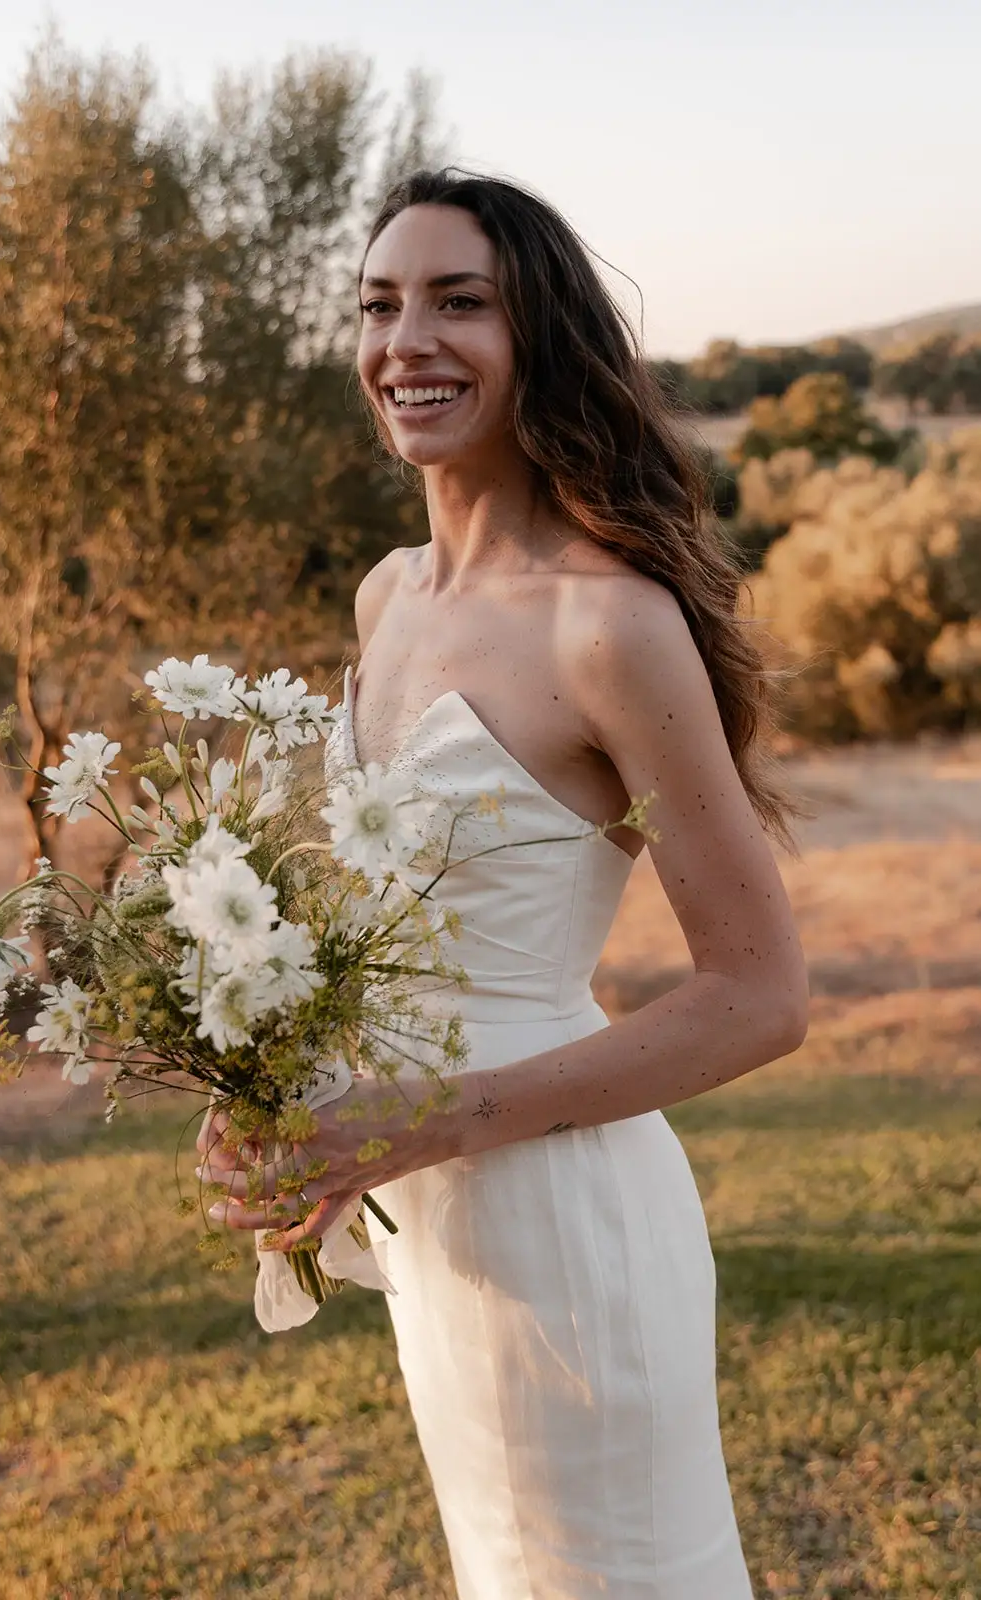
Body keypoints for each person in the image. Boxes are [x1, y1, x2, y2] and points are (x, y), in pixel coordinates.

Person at [198, 168, 809, 1599]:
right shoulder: (385, 594)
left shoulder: (611, 626)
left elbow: (758, 995)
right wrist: (271, 1099)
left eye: (458, 302)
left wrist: (415, 1126)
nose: (405, 340)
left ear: (536, 335)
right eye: (378, 305)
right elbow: (385, 926)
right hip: (434, 1226)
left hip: (565, 1218)